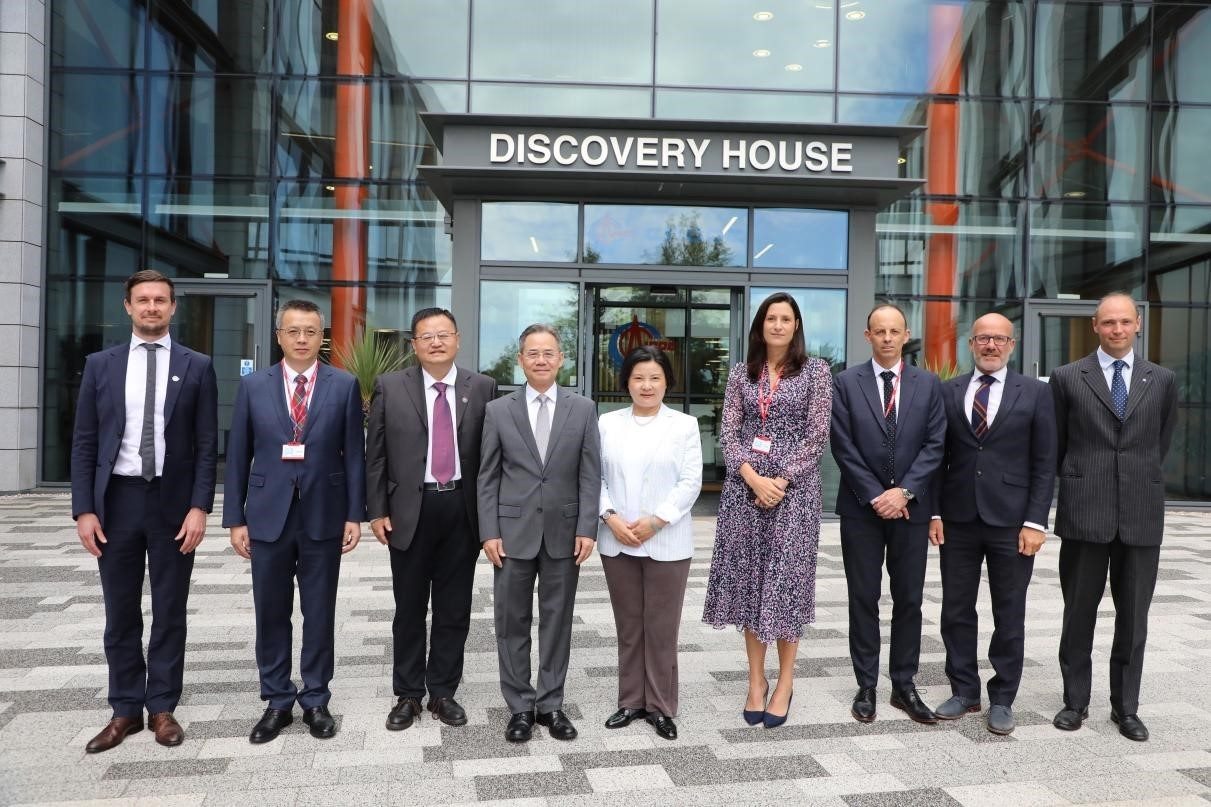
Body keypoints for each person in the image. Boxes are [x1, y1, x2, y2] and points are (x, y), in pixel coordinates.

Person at [70, 269, 218, 753]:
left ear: (173, 307)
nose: (152, 307)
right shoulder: (101, 365)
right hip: (117, 502)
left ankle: (162, 707)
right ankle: (125, 709)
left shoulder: (197, 366)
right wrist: (84, 509)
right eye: (143, 300)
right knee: (120, 610)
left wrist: (199, 507)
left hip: (173, 505)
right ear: (128, 306)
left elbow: (206, 445)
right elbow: (84, 441)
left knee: (170, 609)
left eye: (160, 300)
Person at [223, 299, 366, 744]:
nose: (302, 339)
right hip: (267, 515)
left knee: (319, 610)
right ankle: (277, 700)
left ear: (322, 337)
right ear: (279, 336)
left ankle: (316, 698)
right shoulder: (253, 386)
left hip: (324, 513)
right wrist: (235, 518)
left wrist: (354, 514)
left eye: (310, 331)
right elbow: (237, 454)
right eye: (293, 331)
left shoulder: (344, 385)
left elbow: (354, 455)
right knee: (271, 610)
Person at [1050, 293, 1178, 742]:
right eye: (1108, 322)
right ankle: (1075, 702)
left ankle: (1126, 708)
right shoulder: (1068, 377)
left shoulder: (1162, 380)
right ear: (1095, 326)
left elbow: (1160, 441)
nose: (1117, 329)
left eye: (1124, 322)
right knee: (1078, 613)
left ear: (1137, 324)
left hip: (1141, 512)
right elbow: (1058, 442)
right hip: (1085, 510)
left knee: (1134, 619)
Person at [702, 292, 833, 729]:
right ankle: (756, 680)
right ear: (760, 326)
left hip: (794, 495)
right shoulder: (742, 373)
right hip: (744, 493)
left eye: (786, 319)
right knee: (751, 585)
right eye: (771, 318)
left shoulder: (815, 371)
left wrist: (780, 481)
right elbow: (729, 431)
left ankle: (785, 681)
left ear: (796, 327)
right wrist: (752, 477)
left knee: (786, 585)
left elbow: (816, 435)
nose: (778, 325)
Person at [366, 307, 497, 730]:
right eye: (427, 336)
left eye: (444, 334)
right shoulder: (390, 386)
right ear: (414, 345)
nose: (436, 342)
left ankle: (442, 691)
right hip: (409, 511)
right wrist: (377, 510)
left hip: (461, 509)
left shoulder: (483, 387)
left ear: (457, 339)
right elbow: (376, 455)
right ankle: (408, 694)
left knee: (454, 608)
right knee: (408, 607)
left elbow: (493, 458)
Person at [928, 313, 1057, 735]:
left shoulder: (1036, 393)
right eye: (983, 338)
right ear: (971, 344)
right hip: (958, 520)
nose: (991, 345)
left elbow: (1045, 462)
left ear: (1011, 345)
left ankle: (1003, 697)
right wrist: (935, 512)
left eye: (1000, 339)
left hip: (1013, 522)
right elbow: (936, 458)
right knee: (956, 609)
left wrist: (1036, 522)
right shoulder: (948, 391)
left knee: (1009, 612)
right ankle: (964, 690)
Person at [478, 324, 601, 743]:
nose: (541, 360)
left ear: (561, 359)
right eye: (533, 353)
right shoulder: (499, 410)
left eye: (549, 353)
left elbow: (590, 474)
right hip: (511, 534)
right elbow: (488, 476)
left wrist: (587, 527)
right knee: (510, 621)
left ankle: (550, 705)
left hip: (564, 533)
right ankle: (519, 706)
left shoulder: (582, 409)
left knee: (557, 621)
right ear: (521, 360)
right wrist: (489, 532)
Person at [830, 303, 945, 725]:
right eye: (879, 331)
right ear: (868, 336)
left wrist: (904, 493)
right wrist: (877, 495)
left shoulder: (928, 383)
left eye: (894, 331)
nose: (887, 338)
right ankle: (866, 685)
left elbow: (936, 444)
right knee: (863, 598)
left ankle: (903, 684)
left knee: (909, 599)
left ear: (906, 334)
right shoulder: (845, 383)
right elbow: (842, 445)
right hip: (861, 509)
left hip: (911, 510)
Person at [598, 346, 702, 741]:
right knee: (629, 625)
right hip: (617, 538)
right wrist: (609, 516)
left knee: (661, 628)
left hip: (667, 540)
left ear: (667, 383)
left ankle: (660, 705)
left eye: (655, 378)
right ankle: (630, 700)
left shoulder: (684, 425)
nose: (646, 385)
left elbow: (690, 481)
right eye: (639, 377)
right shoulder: (607, 423)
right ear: (626, 381)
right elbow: (594, 477)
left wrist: (657, 520)